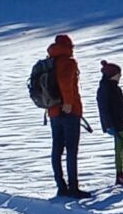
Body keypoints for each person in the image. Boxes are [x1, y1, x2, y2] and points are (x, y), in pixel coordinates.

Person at [34, 33, 89, 197]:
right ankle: (73, 188)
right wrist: (68, 103)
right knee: (71, 149)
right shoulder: (68, 62)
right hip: (69, 111)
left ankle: (61, 186)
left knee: (57, 148)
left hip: (53, 110)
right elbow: (65, 82)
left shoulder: (50, 61)